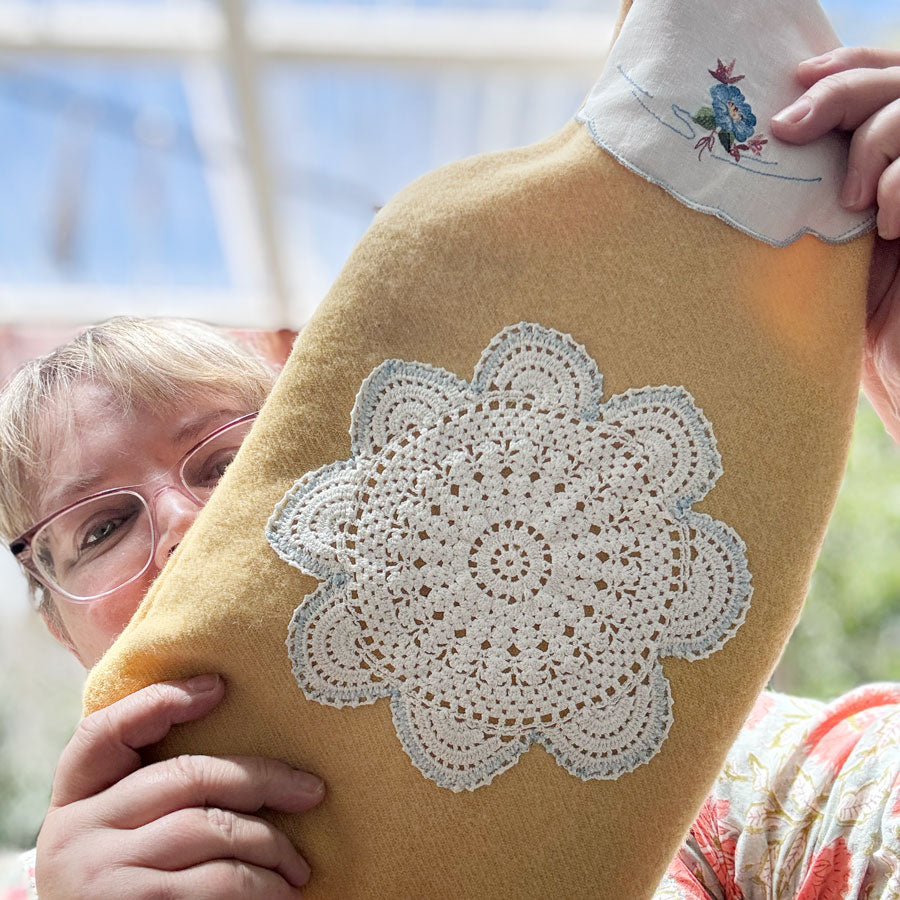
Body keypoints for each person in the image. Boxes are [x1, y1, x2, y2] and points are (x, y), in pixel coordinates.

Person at [0, 45, 898, 899]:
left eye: (230, 459)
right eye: (102, 528)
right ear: (59, 627)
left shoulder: (702, 777)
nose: (189, 525)